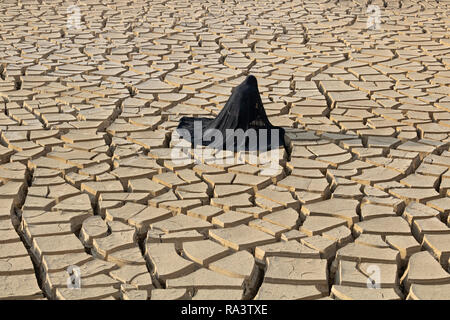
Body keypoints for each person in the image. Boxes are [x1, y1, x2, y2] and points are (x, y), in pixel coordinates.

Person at [176, 75, 285, 152]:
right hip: (241, 119)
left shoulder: (240, 89)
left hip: (230, 115)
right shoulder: (251, 90)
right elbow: (258, 109)